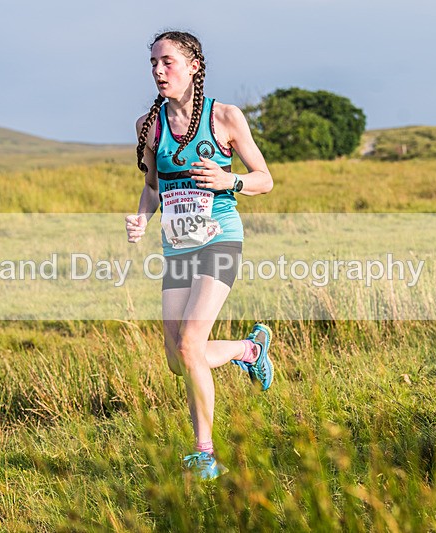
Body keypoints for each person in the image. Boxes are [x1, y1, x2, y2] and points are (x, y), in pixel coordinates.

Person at [125, 30, 274, 480]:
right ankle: (249, 349)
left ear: (193, 65)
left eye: (167, 62)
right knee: (177, 359)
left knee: (190, 345)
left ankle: (205, 454)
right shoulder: (148, 126)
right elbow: (153, 187)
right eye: (153, 62)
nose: (157, 70)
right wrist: (141, 217)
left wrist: (230, 181)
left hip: (220, 239)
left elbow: (264, 178)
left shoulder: (225, 117)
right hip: (179, 248)